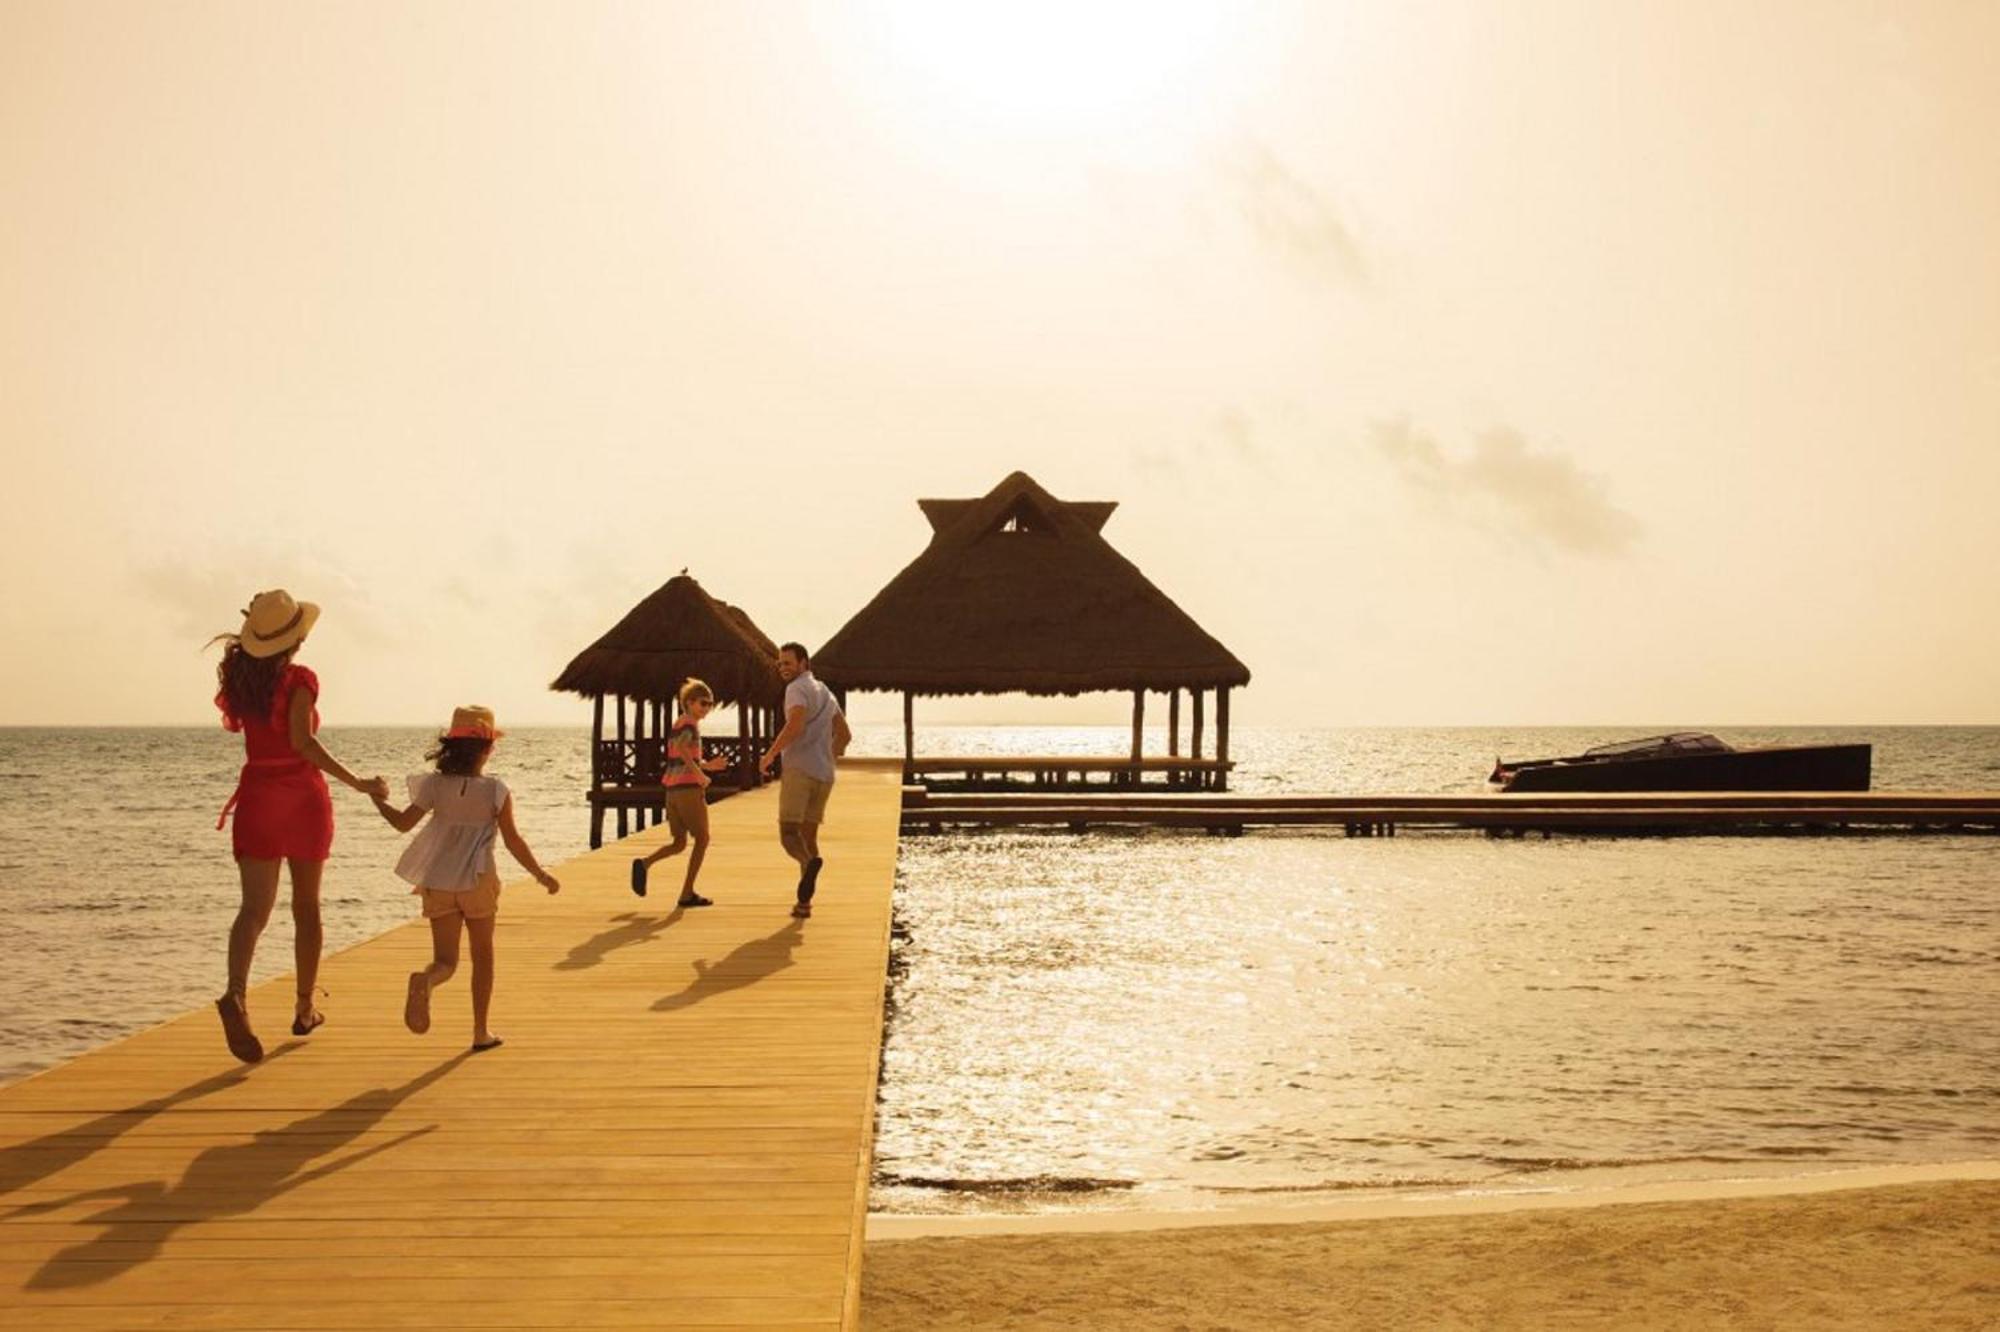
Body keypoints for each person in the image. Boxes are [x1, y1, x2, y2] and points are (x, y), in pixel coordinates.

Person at [211, 589, 389, 1064]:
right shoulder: (300, 679)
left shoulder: (243, 681)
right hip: (301, 798)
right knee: (306, 907)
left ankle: (236, 992)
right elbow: (303, 742)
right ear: (294, 638)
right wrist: (359, 783)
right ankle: (305, 1008)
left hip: (258, 796)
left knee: (253, 910)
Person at [371, 706, 560, 1053]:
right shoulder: (496, 790)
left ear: (451, 747)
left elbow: (402, 823)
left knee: (445, 961)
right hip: (478, 880)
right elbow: (514, 841)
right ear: (487, 749)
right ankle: (480, 1031)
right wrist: (540, 874)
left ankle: (427, 980)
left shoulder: (434, 785)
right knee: (482, 957)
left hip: (438, 880)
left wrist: (377, 799)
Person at [758, 642, 850, 918]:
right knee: (808, 838)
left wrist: (771, 754)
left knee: (789, 835)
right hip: (824, 775)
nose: (782, 668)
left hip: (799, 771)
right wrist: (827, 757)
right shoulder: (825, 691)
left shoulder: (796, 689)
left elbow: (795, 724)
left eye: (787, 663)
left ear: (803, 663)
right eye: (779, 663)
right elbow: (845, 735)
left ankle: (809, 865)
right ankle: (804, 904)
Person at [631, 679, 730, 906]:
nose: (706, 708)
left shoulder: (679, 724)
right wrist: (699, 774)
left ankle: (645, 864)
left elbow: (682, 755)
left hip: (673, 790)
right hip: (688, 790)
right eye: (703, 703)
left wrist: (708, 765)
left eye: (710, 704)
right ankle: (687, 893)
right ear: (689, 702)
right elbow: (683, 749)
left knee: (679, 843)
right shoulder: (689, 724)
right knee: (703, 839)